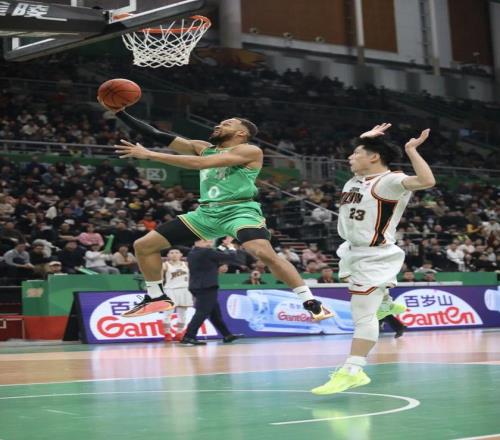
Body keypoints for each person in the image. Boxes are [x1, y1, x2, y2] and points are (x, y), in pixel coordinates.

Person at [101, 100, 331, 321]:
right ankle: (155, 296)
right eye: (220, 123)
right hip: (205, 214)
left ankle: (310, 301)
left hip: (239, 211)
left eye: (227, 123)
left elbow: (200, 164)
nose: (219, 125)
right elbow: (156, 134)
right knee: (143, 245)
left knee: (262, 252)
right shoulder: (204, 148)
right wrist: (120, 112)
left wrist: (150, 155)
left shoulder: (250, 150)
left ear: (241, 133)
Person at [311, 124, 436, 395]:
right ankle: (386, 304)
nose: (350, 157)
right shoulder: (356, 180)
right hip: (352, 251)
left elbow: (427, 181)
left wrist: (411, 150)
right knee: (367, 305)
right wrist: (364, 139)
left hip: (375, 255)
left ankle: (353, 371)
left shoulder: (391, 181)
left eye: (356, 153)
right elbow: (363, 153)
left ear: (374, 158)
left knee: (362, 315)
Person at [180, 239, 242, 346]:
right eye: (205, 241)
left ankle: (227, 335)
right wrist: (231, 247)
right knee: (202, 312)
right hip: (207, 286)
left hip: (197, 285)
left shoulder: (193, 252)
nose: (209, 243)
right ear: (196, 242)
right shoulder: (206, 252)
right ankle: (189, 336)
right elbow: (231, 257)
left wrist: (223, 245)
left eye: (210, 241)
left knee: (215, 314)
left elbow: (215, 254)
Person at [161, 248, 193, 341]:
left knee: (182, 314)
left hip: (184, 289)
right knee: (168, 313)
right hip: (170, 290)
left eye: (176, 252)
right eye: (171, 253)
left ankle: (179, 333)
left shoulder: (186, 264)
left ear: (181, 255)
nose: (174, 254)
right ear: (168, 255)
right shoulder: (165, 265)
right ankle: (167, 333)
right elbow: (160, 279)